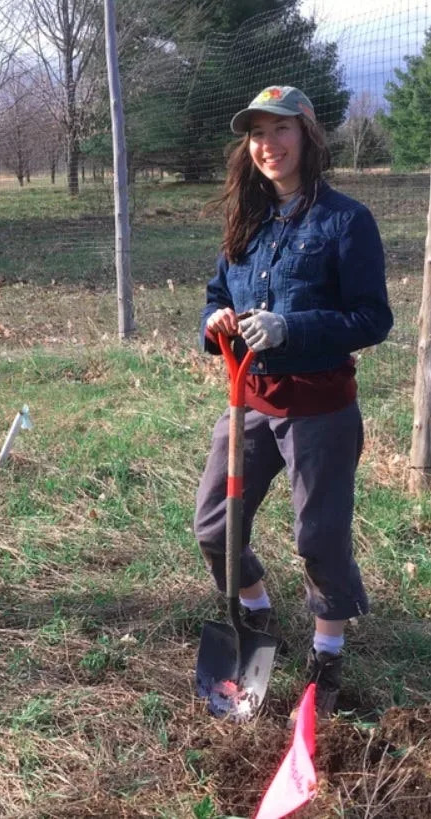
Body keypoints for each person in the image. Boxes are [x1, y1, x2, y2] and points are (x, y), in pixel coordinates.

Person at [193, 85, 393, 718]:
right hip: (249, 399)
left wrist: (291, 327)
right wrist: (215, 320)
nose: (267, 144)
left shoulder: (345, 221)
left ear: (309, 136)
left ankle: (327, 651)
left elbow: (372, 318)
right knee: (215, 524)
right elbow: (213, 291)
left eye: (281, 130)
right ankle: (255, 616)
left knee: (320, 535)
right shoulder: (245, 221)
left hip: (319, 405)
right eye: (256, 133)